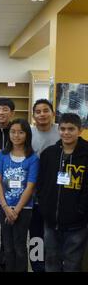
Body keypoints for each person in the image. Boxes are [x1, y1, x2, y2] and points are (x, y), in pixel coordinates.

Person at [38, 113, 88, 272]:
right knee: (51, 261)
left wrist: (81, 211)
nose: (66, 133)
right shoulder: (49, 153)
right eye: (63, 129)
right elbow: (41, 183)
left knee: (72, 263)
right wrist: (45, 207)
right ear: (58, 130)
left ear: (80, 130)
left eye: (71, 129)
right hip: (51, 221)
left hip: (77, 223)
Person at [0, 118, 39, 272]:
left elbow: (30, 186)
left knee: (20, 247)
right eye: (13, 132)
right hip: (3, 206)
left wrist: (16, 209)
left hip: (24, 208)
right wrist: (6, 207)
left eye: (21, 132)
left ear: (27, 135)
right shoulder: (2, 155)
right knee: (7, 246)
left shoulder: (33, 158)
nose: (16, 135)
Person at [29, 99, 59, 272]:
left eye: (45, 110)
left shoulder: (61, 131)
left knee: (53, 235)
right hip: (33, 193)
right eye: (38, 111)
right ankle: (37, 267)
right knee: (36, 234)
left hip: (56, 193)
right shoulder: (29, 133)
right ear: (33, 116)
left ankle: (54, 265)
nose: (42, 114)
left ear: (53, 113)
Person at [0, 97, 15, 270]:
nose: (0, 112)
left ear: (12, 113)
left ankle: (5, 258)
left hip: (12, 186)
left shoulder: (17, 130)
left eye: (5, 109)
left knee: (8, 227)